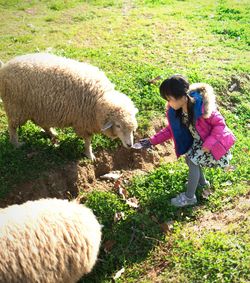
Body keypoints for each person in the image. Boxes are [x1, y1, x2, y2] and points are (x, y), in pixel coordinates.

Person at [139, 74, 236, 207]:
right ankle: (202, 183)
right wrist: (152, 141)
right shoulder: (178, 111)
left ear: (182, 96)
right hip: (199, 142)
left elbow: (220, 125)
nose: (168, 103)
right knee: (189, 159)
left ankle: (189, 197)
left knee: (192, 160)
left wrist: (209, 143)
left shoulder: (203, 107)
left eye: (169, 99)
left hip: (212, 143)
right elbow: (170, 130)